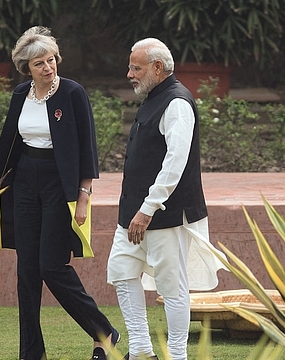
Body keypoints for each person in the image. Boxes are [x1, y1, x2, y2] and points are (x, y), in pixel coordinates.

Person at [0, 26, 119, 360]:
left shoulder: (73, 93)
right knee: (26, 271)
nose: (48, 68)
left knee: (52, 266)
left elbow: (87, 146)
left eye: (50, 60)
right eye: (39, 64)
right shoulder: (20, 95)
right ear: (26, 68)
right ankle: (31, 352)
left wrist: (85, 194)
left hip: (58, 183)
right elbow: (9, 144)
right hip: (24, 181)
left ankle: (104, 331)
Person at [106, 38, 227, 360]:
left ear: (157, 68)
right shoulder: (153, 98)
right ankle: (142, 351)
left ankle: (176, 355)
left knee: (172, 288)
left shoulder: (177, 102)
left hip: (166, 214)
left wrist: (147, 211)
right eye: (130, 67)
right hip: (133, 212)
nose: (129, 74)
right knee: (121, 272)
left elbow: (176, 163)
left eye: (136, 67)